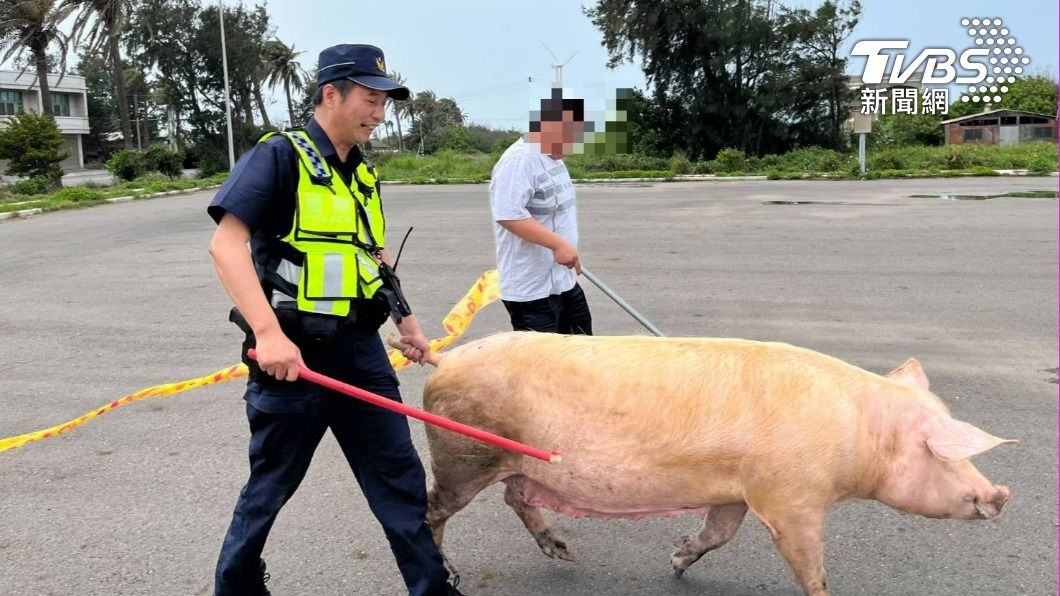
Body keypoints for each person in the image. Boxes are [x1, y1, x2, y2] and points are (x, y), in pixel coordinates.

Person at [207, 44, 461, 596]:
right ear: (331, 94)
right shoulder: (279, 156)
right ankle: (236, 587)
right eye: (371, 99)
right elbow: (226, 245)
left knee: (400, 479)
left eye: (384, 102)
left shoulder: (360, 173)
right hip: (292, 360)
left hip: (362, 354)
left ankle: (433, 590)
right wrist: (269, 336)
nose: (380, 113)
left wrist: (409, 324)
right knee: (271, 485)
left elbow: (374, 256)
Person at [489, 89, 593, 335]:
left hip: (561, 281)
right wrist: (558, 244)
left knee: (583, 352)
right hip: (531, 291)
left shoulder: (553, 159)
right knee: (539, 368)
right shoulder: (519, 160)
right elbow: (508, 214)